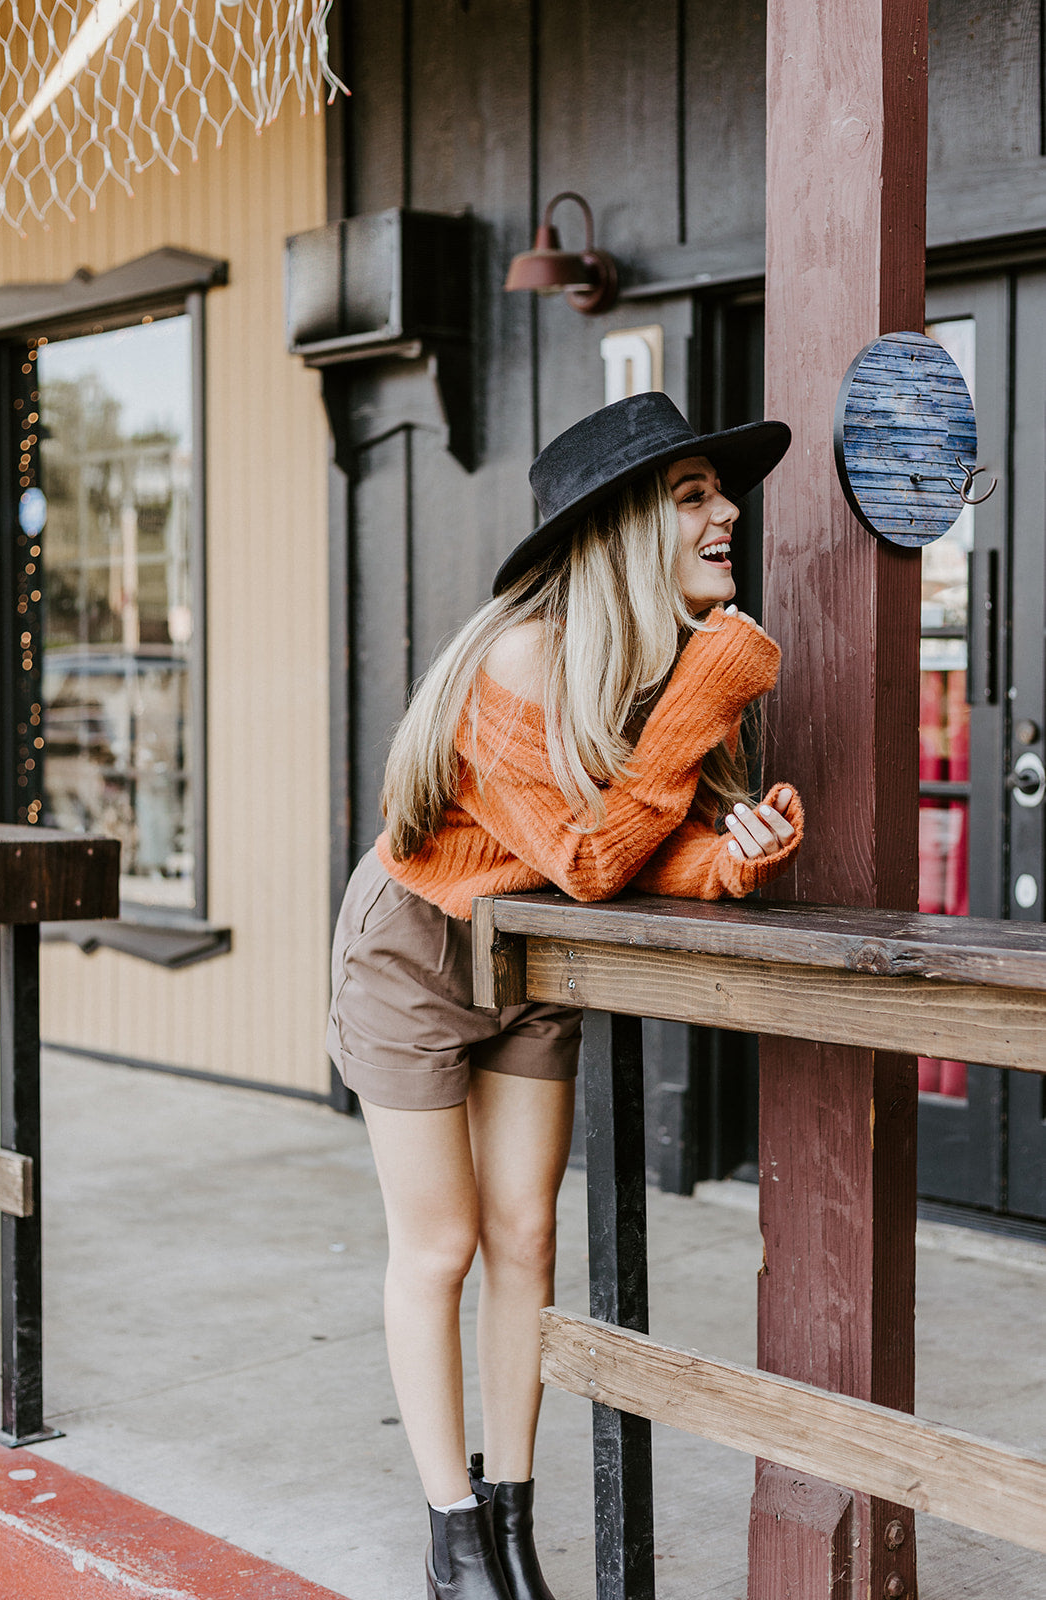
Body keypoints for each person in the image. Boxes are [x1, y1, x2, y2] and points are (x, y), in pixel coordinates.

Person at [326, 392, 804, 1600]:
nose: (724, 512)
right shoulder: (521, 658)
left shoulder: (652, 669)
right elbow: (589, 860)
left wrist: (728, 860)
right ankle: (450, 1538)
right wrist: (713, 691)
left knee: (526, 1236)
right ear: (624, 525)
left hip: (533, 951)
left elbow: (636, 857)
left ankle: (511, 1514)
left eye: (718, 490)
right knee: (439, 1245)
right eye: (692, 494)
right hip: (418, 950)